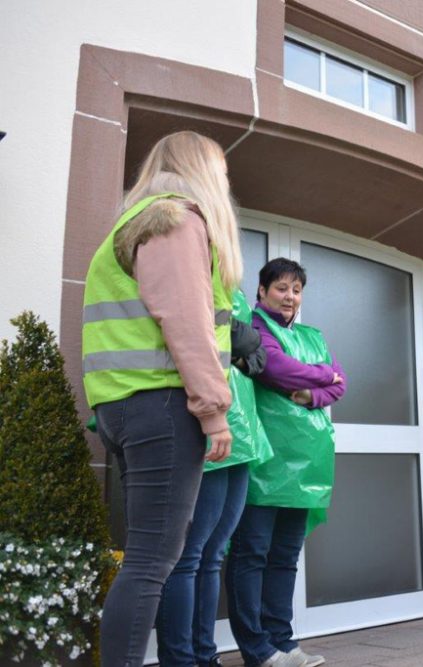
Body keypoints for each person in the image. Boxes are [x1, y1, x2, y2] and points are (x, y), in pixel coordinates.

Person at [83, 131, 242, 666]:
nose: (224, 181)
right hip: (161, 406)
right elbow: (187, 324)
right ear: (200, 170)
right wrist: (214, 411)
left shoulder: (137, 220)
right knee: (153, 560)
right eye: (220, 171)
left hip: (126, 406)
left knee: (147, 557)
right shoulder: (175, 218)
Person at [226, 258, 346, 667]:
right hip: (266, 460)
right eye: (281, 288)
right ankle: (256, 648)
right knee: (252, 553)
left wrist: (313, 394)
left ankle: (282, 641)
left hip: (306, 466)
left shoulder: (313, 336)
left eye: (296, 290)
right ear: (261, 292)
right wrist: (320, 376)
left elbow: (340, 383)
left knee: (284, 557)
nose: (289, 296)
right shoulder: (256, 328)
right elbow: (274, 369)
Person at [155, 288, 273, 667]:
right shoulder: (188, 271)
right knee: (188, 555)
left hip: (239, 432)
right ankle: (180, 658)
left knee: (212, 555)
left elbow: (255, 351)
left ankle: (205, 656)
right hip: (203, 425)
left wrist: (249, 343)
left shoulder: (231, 289)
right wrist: (244, 339)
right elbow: (217, 338)